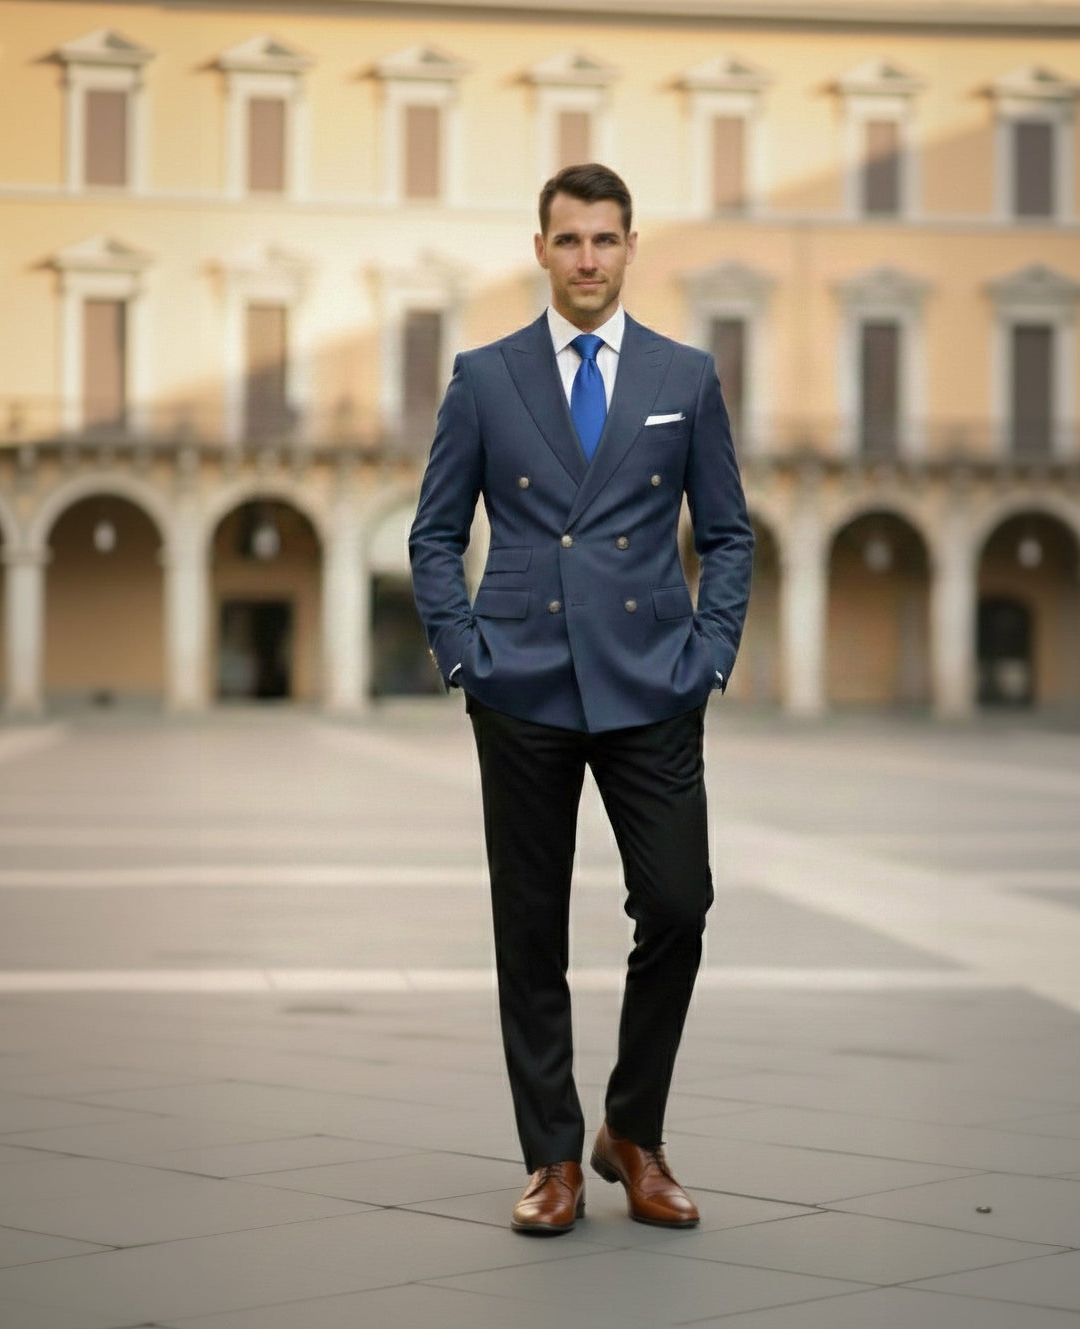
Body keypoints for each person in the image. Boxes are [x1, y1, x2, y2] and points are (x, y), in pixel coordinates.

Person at [408, 163, 753, 1234]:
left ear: (630, 248)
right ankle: (551, 1157)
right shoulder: (483, 376)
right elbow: (433, 533)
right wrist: (463, 655)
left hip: (653, 680)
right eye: (569, 240)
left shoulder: (684, 375)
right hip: (521, 681)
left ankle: (632, 1131)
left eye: (605, 239)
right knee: (529, 926)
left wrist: (709, 655)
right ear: (541, 250)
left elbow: (727, 533)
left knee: (679, 905)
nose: (588, 258)